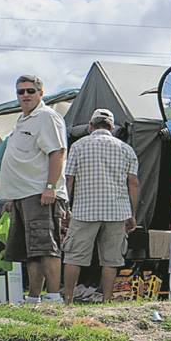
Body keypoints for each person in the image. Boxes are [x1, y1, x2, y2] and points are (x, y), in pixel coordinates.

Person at [0, 73, 68, 304]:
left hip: (40, 193)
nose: (25, 95)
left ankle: (54, 297)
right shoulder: (22, 119)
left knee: (47, 247)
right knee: (32, 251)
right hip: (22, 195)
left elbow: (57, 152)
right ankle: (33, 298)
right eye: (21, 91)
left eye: (30, 91)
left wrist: (50, 187)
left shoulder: (47, 116)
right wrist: (11, 196)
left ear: (41, 93)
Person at [61, 108, 139, 305]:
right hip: (117, 211)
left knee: (74, 257)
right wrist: (132, 214)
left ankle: (68, 300)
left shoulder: (78, 146)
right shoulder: (126, 149)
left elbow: (68, 179)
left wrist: (66, 208)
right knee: (111, 260)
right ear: (112, 128)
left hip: (84, 211)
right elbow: (133, 183)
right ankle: (106, 300)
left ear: (90, 126)